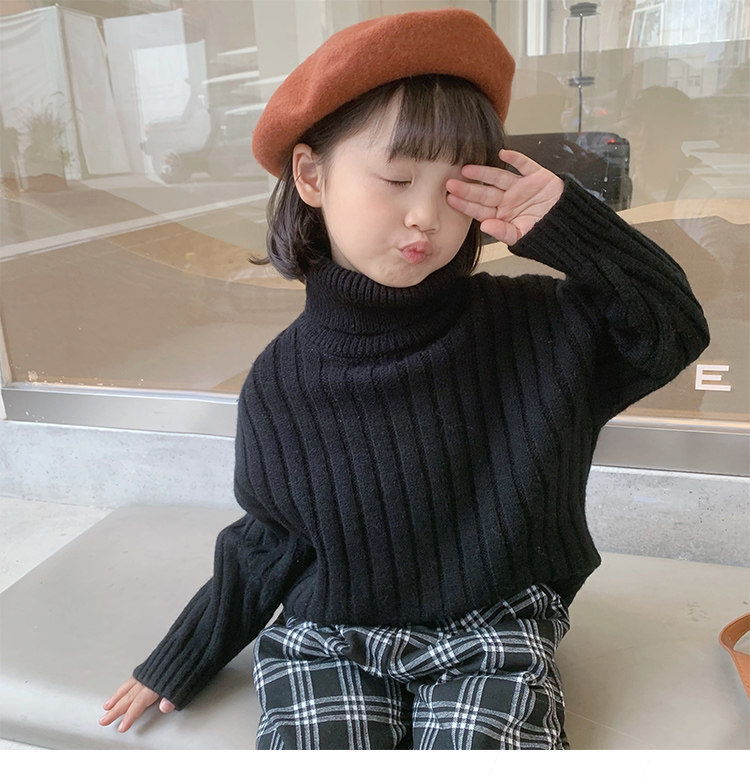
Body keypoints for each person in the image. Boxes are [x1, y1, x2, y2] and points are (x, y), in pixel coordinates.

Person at [99, 9, 711, 749]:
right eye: (396, 178)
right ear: (312, 175)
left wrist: (567, 225)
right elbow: (270, 542)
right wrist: (182, 657)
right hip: (330, 634)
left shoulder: (539, 328)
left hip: (494, 625)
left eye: (455, 187)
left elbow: (673, 328)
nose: (425, 215)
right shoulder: (281, 381)